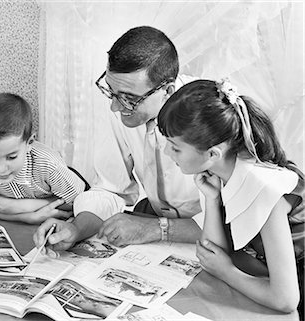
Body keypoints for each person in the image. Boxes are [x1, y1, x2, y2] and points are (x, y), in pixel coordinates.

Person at [34, 26, 201, 250]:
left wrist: (152, 228)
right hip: (160, 228)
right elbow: (111, 188)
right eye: (111, 92)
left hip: (210, 236)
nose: (115, 106)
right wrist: (75, 228)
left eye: (130, 98)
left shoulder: (207, 114)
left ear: (168, 91)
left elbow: (232, 220)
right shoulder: (121, 108)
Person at [157, 79, 304, 315]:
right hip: (263, 284)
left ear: (213, 153)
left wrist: (227, 272)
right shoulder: (219, 172)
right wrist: (212, 201)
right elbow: (213, 255)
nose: (166, 152)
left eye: (175, 147)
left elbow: (286, 299)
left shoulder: (264, 188)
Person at [0, 93, 88, 225]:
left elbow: (81, 202)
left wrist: (26, 206)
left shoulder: (48, 164)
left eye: (11, 157)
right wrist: (28, 218)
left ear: (29, 142)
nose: (1, 169)